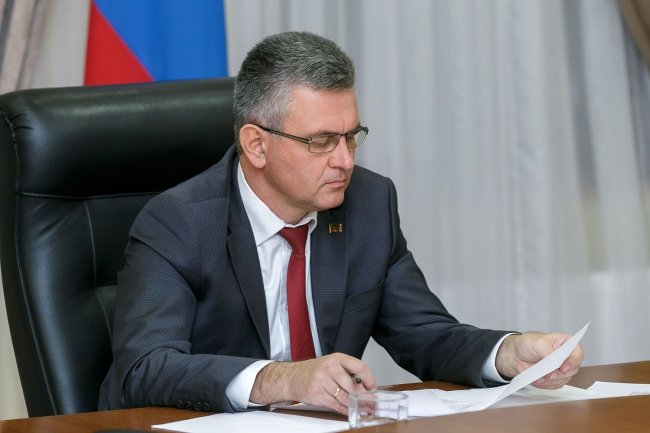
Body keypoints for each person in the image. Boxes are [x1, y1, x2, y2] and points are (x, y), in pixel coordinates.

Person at [99, 31, 584, 415]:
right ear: (256, 145)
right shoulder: (178, 222)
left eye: (351, 136)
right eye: (321, 141)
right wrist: (284, 379)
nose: (345, 161)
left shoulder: (368, 203)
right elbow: (146, 369)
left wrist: (509, 353)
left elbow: (425, 334)